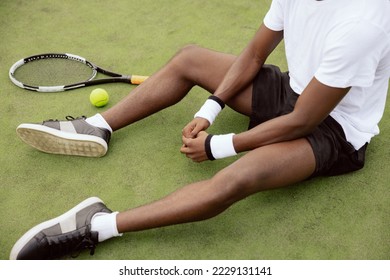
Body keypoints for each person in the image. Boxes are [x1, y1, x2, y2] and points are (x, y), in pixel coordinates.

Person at [10, 0, 390, 260]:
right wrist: (212, 106)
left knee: (234, 180)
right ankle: (97, 127)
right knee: (190, 59)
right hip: (295, 90)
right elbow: (256, 53)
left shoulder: (363, 22)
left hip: (331, 128)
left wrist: (218, 145)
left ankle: (97, 225)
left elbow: (303, 120)